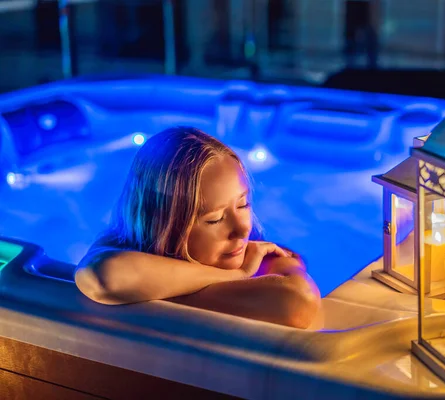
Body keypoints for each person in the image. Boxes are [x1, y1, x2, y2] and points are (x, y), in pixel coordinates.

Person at [75, 126, 321, 329]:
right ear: (163, 226)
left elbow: (298, 303)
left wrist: (154, 292)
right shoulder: (123, 247)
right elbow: (103, 276)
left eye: (243, 205)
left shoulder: (260, 255)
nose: (241, 229)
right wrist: (235, 276)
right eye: (214, 219)